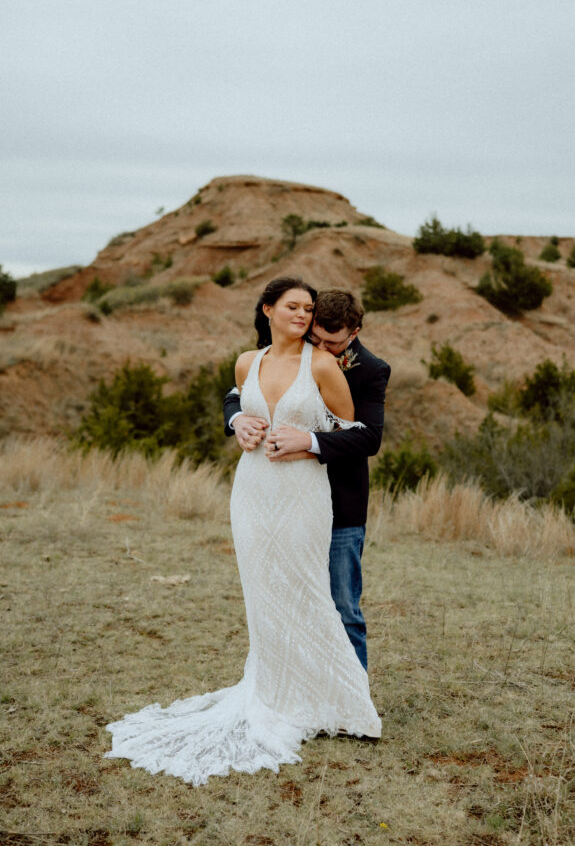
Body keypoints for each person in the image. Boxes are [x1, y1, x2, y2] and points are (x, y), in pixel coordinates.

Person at [106, 277, 381, 785]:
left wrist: (307, 441)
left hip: (303, 494)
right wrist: (239, 425)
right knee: (264, 594)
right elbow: (237, 403)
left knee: (308, 592)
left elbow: (360, 433)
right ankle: (274, 693)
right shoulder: (245, 362)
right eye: (293, 307)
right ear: (268, 309)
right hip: (252, 491)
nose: (302, 315)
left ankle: (336, 699)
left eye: (308, 309)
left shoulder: (321, 364)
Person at [223, 289, 391, 671]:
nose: (322, 349)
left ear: (354, 333)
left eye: (332, 343)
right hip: (282, 497)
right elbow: (238, 392)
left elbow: (369, 437)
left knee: (342, 603)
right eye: (316, 338)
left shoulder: (371, 369)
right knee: (287, 595)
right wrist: (237, 420)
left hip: (340, 503)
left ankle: (354, 699)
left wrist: (310, 442)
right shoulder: (291, 352)